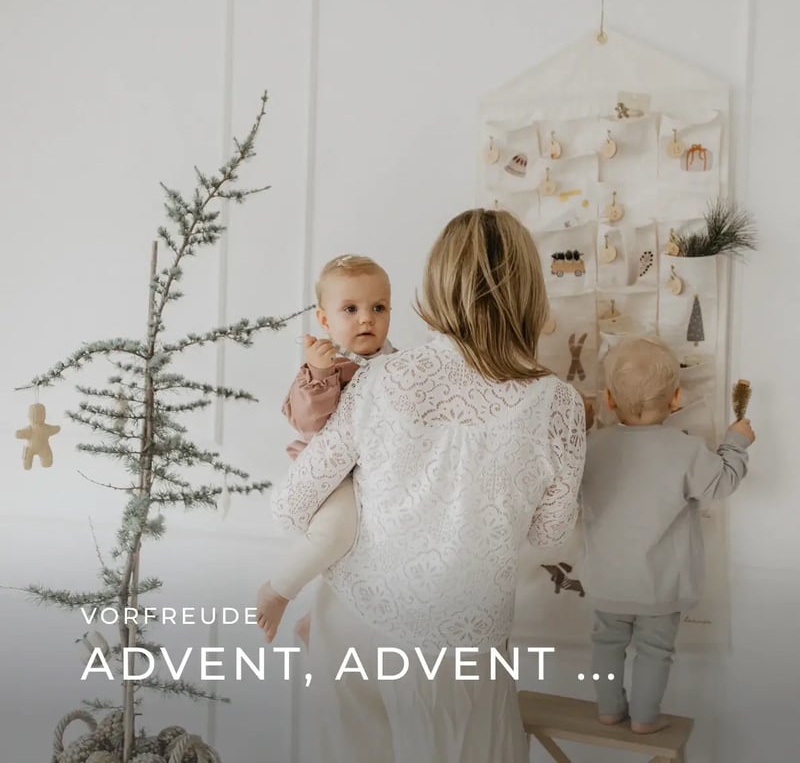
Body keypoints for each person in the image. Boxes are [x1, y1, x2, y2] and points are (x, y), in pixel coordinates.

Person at [268, 208, 587, 763]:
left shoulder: (380, 376)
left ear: (438, 282)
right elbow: (551, 536)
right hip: (456, 642)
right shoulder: (558, 403)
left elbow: (292, 506)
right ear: (528, 291)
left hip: (350, 623)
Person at [581, 336, 755, 733]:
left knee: (606, 645)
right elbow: (722, 483)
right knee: (655, 651)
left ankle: (608, 708)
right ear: (676, 399)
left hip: (607, 581)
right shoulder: (685, 449)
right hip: (662, 584)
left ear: (609, 399)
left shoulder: (592, 447)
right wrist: (736, 443)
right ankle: (644, 718)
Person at [256, 254, 394, 643]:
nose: (366, 319)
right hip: (333, 474)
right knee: (336, 532)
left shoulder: (396, 363)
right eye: (351, 309)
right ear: (324, 320)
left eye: (378, 308)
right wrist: (318, 374)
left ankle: (319, 616)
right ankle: (278, 589)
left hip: (375, 471)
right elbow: (305, 420)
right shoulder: (326, 365)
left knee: (372, 549)